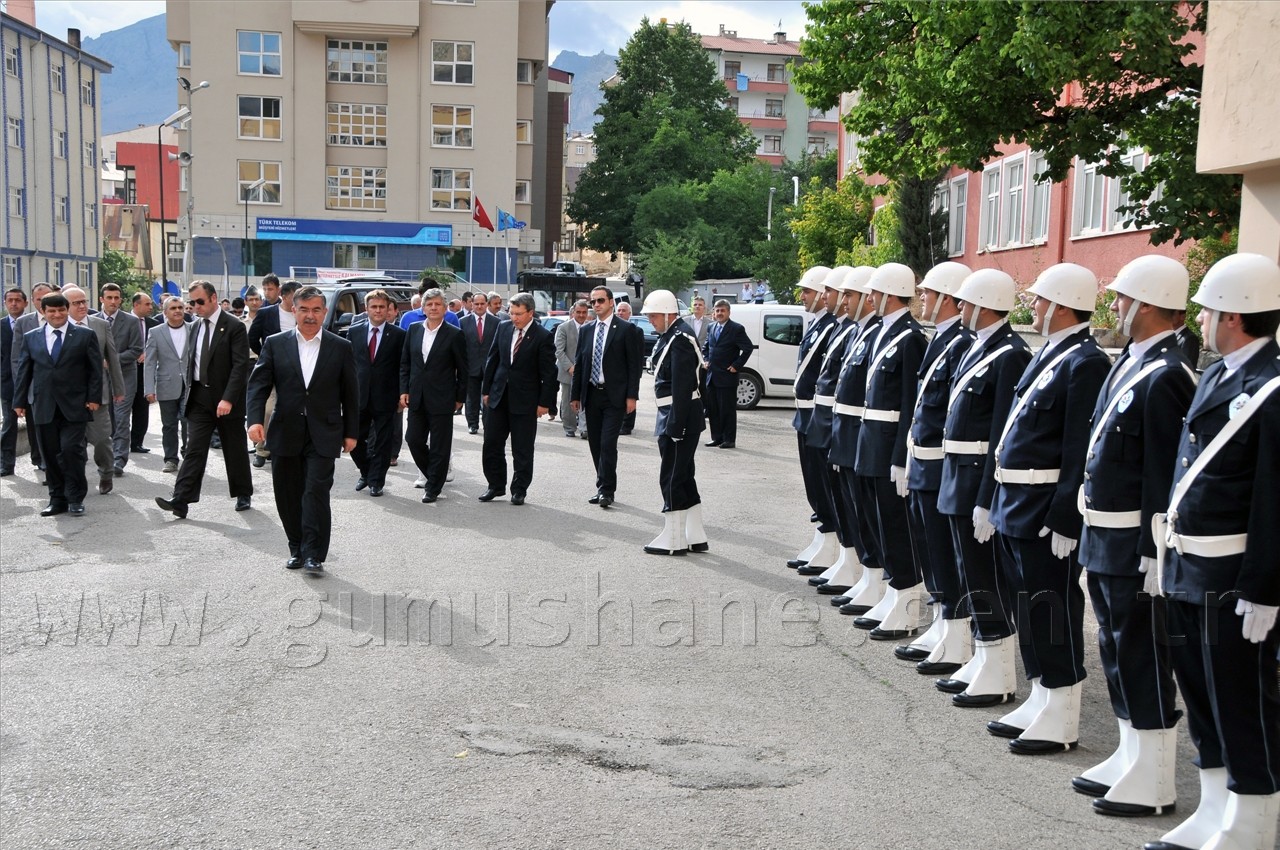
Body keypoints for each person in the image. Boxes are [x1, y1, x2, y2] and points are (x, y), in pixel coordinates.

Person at [1144, 252, 1280, 850]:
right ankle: (1217, 803)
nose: (1199, 319)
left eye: (1207, 309)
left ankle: (1253, 821)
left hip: (1231, 574)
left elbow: (1274, 500)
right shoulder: (1222, 372)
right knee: (1200, 690)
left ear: (1233, 314)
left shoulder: (1271, 389)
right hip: (1189, 565)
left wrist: (1265, 588)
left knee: (1240, 700)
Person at [1071, 255, 1195, 818]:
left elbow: (1163, 472)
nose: (1115, 305)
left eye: (1123, 297)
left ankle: (1153, 774)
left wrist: (1153, 550)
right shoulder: (1132, 361)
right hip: (1104, 532)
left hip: (1133, 541)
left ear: (1147, 304)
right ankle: (1130, 752)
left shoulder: (1169, 373)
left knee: (1142, 653)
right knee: (1115, 647)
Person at [990, 263, 1110, 755]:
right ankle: (1041, 692)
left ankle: (1061, 714)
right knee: (1029, 605)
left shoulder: (1086, 362)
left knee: (1053, 607)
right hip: (1018, 501)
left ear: (1061, 305)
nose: (1033, 306)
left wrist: (1066, 513)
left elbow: (1077, 448)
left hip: (1045, 509)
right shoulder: (1052, 354)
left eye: (1040, 299)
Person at [934, 269, 1031, 702]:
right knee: (966, 571)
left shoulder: (1010, 353)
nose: (960, 309)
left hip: (977, 477)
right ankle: (982, 654)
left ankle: (999, 670)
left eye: (966, 303)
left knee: (984, 576)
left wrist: (988, 496)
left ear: (985, 304)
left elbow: (999, 432)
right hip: (957, 472)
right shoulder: (980, 346)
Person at [247, 286, 359, 573]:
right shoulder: (275, 343)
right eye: (304, 309)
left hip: (325, 431)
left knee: (315, 492)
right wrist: (255, 420)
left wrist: (352, 432)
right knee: (287, 493)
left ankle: (314, 554)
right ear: (293, 310)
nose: (310, 315)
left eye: (316, 310)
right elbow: (258, 385)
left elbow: (351, 393)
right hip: (286, 430)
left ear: (325, 312)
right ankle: (296, 547)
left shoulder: (340, 346)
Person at [896, 262, 974, 670]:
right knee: (931, 550)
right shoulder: (940, 339)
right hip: (923, 460)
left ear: (948, 298)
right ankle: (945, 623)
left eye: (928, 292)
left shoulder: (961, 342)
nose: (922, 298)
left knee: (945, 552)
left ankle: (956, 633)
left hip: (941, 464)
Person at [850, 263, 929, 640]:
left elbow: (910, 402)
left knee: (896, 529)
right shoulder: (885, 331)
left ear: (890, 294)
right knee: (878, 523)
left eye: (874, 293)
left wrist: (901, 456)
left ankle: (907, 604)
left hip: (889, 446)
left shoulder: (911, 338)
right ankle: (893, 593)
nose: (868, 299)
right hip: (871, 441)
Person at [155, 281, 254, 519]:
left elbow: (240, 366)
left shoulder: (234, 326)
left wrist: (229, 398)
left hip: (226, 399)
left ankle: (242, 492)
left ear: (213, 299)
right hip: (199, 397)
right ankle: (181, 500)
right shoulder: (195, 327)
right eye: (192, 302)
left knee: (234, 447)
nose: (195, 307)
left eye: (200, 302)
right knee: (194, 449)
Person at [795, 268, 861, 587]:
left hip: (824, 414)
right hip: (811, 410)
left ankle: (839, 548)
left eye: (818, 291)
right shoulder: (828, 326)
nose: (815, 296)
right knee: (817, 486)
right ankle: (826, 539)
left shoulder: (840, 328)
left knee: (829, 487)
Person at [12, 292, 102, 516]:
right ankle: (57, 499)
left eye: (61, 310)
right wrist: (19, 401)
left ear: (67, 310)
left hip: (75, 405)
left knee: (72, 450)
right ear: (43, 312)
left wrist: (93, 398)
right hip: (43, 405)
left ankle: (75, 497)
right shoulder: (32, 337)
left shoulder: (84, 335)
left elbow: (95, 371)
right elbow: (24, 370)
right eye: (51, 311)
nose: (57, 314)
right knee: (50, 454)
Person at [640, 290, 706, 555]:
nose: (650, 321)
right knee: (684, 475)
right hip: (675, 413)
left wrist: (676, 426)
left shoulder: (679, 339)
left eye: (654, 316)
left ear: (668, 314)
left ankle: (675, 539)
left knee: (672, 476)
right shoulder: (672, 335)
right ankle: (695, 535)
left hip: (679, 415)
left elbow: (681, 386)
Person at [479, 292, 556, 505]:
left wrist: (544, 403)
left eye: (518, 314)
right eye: (511, 313)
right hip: (498, 397)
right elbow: (493, 360)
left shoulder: (542, 336)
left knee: (522, 448)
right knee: (491, 443)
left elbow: (549, 373)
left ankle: (519, 488)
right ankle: (495, 485)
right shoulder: (503, 328)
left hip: (526, 401)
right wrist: (486, 391)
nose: (514, 318)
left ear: (530, 313)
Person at [571, 285, 644, 509]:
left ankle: (607, 490)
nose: (596, 305)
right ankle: (602, 484)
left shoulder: (626, 329)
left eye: (600, 300)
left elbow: (634, 366)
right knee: (594, 443)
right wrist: (575, 395)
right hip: (592, 395)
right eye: (593, 302)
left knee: (607, 443)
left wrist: (632, 396)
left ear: (611, 302)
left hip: (615, 396)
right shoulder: (586, 330)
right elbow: (581, 364)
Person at [786, 266, 838, 569]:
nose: (802, 296)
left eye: (807, 291)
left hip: (817, 412)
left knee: (822, 481)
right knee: (812, 481)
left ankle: (830, 537)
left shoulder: (830, 326)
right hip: (804, 412)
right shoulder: (818, 324)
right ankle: (823, 534)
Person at [400, 288, 467, 503]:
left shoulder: (454, 334)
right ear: (423, 308)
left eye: (438, 304)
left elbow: (463, 370)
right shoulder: (413, 329)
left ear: (445, 308)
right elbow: (405, 364)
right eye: (429, 304)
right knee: (413, 439)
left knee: (440, 445)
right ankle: (435, 474)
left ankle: (433, 487)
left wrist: (460, 397)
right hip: (417, 396)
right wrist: (404, 390)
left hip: (443, 397)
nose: (433, 308)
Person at [63, 287, 125, 496]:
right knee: (73, 443)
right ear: (66, 307)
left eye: (84, 301)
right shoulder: (59, 327)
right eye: (76, 303)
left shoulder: (100, 325)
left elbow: (112, 357)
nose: (82, 306)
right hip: (70, 396)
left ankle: (106, 472)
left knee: (101, 439)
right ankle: (75, 482)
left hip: (99, 393)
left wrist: (118, 389)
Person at [348, 289, 407, 498]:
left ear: (389, 309)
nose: (378, 310)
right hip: (359, 395)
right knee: (352, 438)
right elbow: (348, 365)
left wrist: (402, 394)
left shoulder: (399, 335)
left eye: (382, 307)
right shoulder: (354, 332)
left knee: (383, 442)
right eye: (374, 306)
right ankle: (366, 471)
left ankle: (376, 481)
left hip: (386, 396)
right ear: (366, 309)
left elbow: (403, 366)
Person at [248, 279, 300, 464]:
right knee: (268, 409)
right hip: (272, 369)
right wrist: (265, 355)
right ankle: (261, 449)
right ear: (284, 296)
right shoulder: (267, 313)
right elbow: (253, 338)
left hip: (297, 371)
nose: (298, 302)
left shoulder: (302, 314)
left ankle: (283, 445)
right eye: (295, 297)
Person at [9, 283, 55, 476]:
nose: (43, 303)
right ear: (34, 302)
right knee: (37, 425)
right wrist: (22, 388)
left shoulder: (62, 319)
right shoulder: (24, 323)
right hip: (34, 386)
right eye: (39, 299)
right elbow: (17, 358)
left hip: (61, 385)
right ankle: (42, 460)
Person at [99, 283, 144, 475]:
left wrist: (112, 360)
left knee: (122, 417)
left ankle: (119, 460)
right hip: (100, 378)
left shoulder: (131, 321)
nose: (113, 301)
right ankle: (105, 459)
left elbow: (136, 349)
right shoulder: (93, 321)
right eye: (109, 298)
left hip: (125, 375)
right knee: (104, 419)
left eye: (116, 298)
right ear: (102, 299)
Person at [144, 296, 191, 474]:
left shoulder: (193, 329)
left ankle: (189, 453)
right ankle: (171, 459)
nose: (178, 311)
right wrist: (149, 389)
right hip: (166, 384)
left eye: (180, 307)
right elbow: (149, 362)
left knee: (188, 421)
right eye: (173, 308)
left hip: (189, 385)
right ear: (165, 312)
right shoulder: (156, 332)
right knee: (169, 425)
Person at [703, 299, 753, 449]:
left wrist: (736, 366)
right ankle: (717, 437)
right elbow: (706, 347)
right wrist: (705, 360)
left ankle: (729, 439)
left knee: (727, 410)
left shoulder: (736, 329)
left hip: (727, 376)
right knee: (713, 410)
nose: (719, 313)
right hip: (712, 376)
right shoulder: (711, 327)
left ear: (728, 312)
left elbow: (748, 348)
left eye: (722, 311)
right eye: (717, 311)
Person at [458, 291, 497, 435]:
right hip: (470, 366)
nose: (479, 306)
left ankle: (488, 424)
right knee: (471, 398)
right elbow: (460, 347)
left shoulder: (496, 322)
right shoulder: (463, 322)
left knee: (488, 397)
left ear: (487, 304)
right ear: (471, 305)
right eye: (476, 304)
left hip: (489, 367)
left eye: (482, 303)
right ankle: (472, 424)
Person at [1, 287, 28, 476]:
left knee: (37, 424)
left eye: (17, 300)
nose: (13, 303)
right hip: (8, 383)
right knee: (9, 424)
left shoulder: (33, 324)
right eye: (9, 300)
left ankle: (41, 461)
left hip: (32, 381)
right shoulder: (1, 326)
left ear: (26, 303)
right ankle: (6, 463)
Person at [128, 292, 159, 455]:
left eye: (150, 304)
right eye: (147, 304)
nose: (150, 307)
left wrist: (148, 354)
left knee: (142, 408)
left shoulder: (153, 324)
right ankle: (121, 441)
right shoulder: (123, 321)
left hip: (145, 371)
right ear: (136, 305)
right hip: (126, 370)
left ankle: (137, 442)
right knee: (123, 408)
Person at [555, 300, 589, 438]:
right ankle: (569, 427)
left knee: (585, 400)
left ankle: (584, 428)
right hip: (568, 371)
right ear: (573, 312)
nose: (581, 315)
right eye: (578, 312)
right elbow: (559, 351)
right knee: (568, 400)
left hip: (587, 371)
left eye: (584, 312)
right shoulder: (563, 328)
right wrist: (570, 367)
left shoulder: (591, 327)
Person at [615, 301, 638, 435]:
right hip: (616, 375)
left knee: (630, 399)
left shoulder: (635, 330)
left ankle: (627, 425)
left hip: (630, 373)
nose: (620, 313)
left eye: (624, 311)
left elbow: (637, 356)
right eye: (619, 310)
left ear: (630, 314)